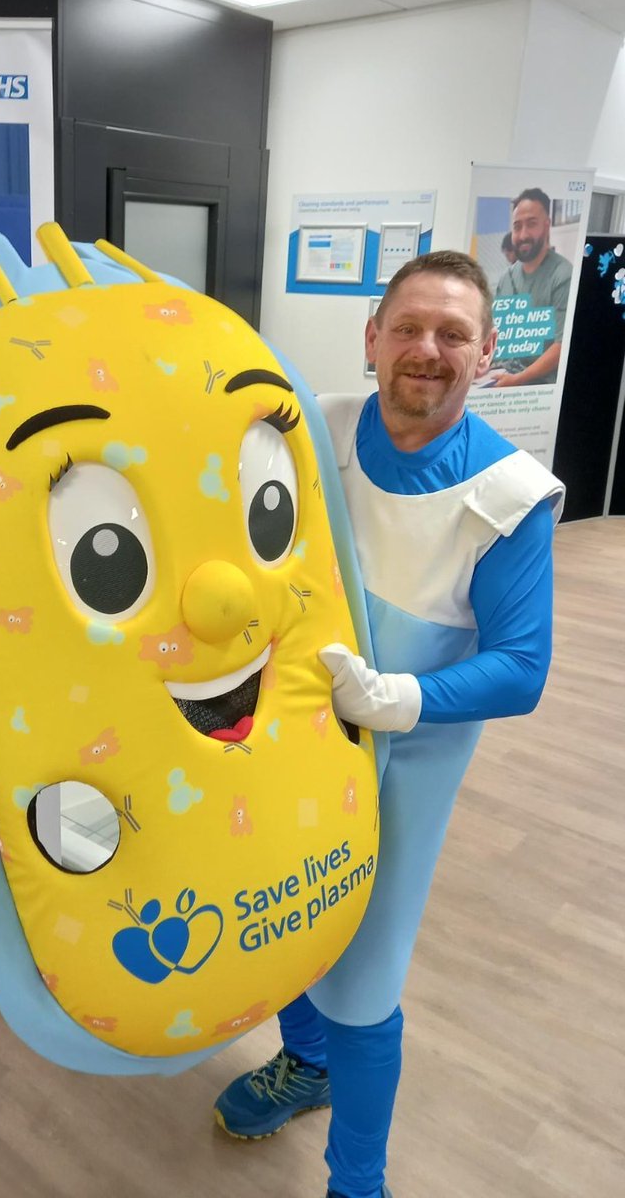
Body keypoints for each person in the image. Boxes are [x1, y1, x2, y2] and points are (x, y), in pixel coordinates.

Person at [213, 251, 564, 1198]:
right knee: (278, 919)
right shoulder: (300, 427)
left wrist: (398, 700)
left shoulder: (510, 497)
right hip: (281, 743)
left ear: (486, 356)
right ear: (371, 338)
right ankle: (306, 1063)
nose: (427, 349)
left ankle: (358, 1183)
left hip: (403, 773)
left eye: (454, 334)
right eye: (408, 327)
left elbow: (523, 667)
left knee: (366, 981)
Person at [490, 188, 573, 387]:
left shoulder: (563, 275)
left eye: (532, 224)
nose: (523, 234)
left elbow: (562, 346)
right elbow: (496, 333)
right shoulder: (506, 278)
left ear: (547, 226)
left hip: (539, 390)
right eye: (517, 227)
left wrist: (517, 380)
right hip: (503, 376)